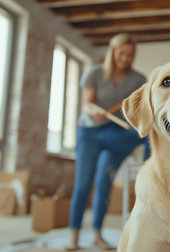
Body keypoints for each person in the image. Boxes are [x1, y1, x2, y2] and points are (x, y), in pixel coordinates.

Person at [66, 33, 150, 250]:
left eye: (129, 55)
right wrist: (93, 111)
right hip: (90, 132)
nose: (125, 58)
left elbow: (137, 111)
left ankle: (97, 235)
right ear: (112, 52)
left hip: (116, 133)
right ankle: (73, 237)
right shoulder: (94, 73)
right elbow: (86, 104)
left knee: (104, 184)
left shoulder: (138, 80)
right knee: (83, 185)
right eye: (121, 53)